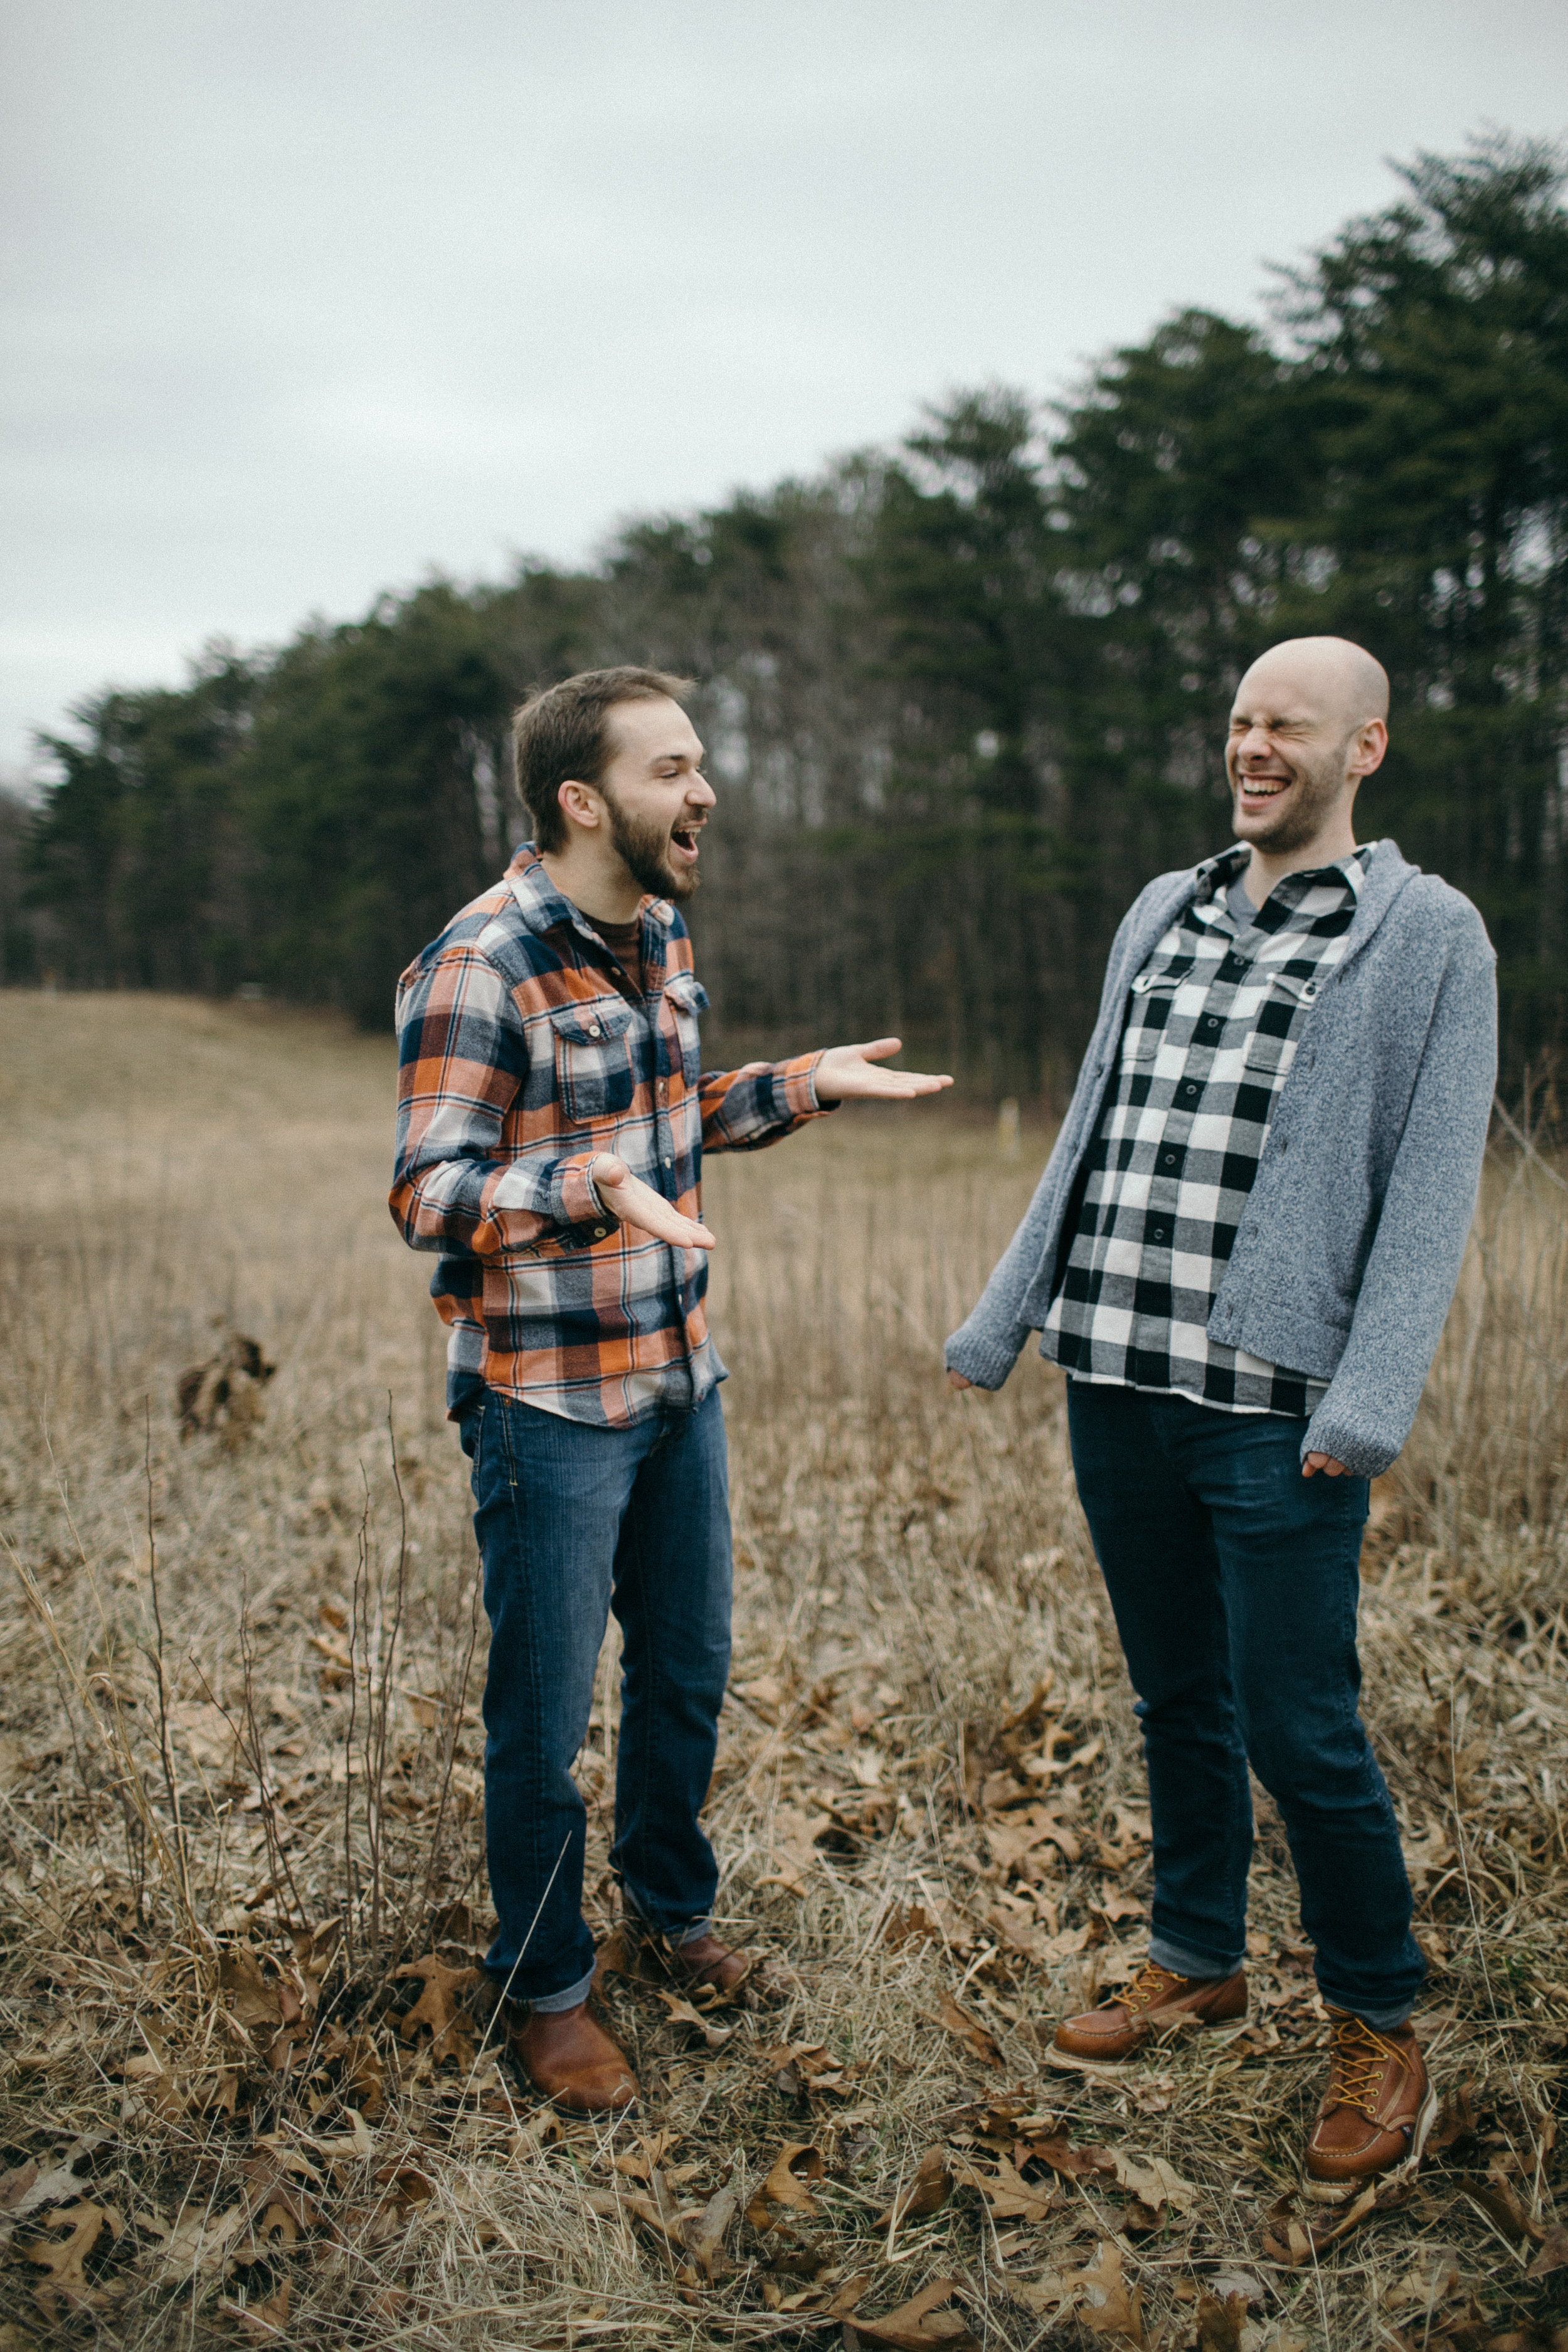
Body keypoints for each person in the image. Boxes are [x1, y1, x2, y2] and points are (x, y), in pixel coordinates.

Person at [945, 637, 1496, 2202]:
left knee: (1296, 1723)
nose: (1254, 748)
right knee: (1172, 1698)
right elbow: (1090, 1127)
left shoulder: (1424, 936)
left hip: (1275, 1410)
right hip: (1111, 1376)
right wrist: (1012, 1313)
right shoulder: (1162, 905)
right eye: (1241, 722)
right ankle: (1194, 1954)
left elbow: (1430, 1190)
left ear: (1363, 749)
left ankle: (1375, 2019)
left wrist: (1369, 1394)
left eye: (1288, 728)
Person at [392, 666, 950, 2114]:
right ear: (583, 801)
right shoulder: (482, 964)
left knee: (688, 1671)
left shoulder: (662, 934)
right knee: (542, 1714)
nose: (703, 793)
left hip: (678, 1381)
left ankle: (667, 1905)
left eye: (701, 766)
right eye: (671, 771)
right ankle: (547, 1986)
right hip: (546, 1402)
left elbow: (669, 1119)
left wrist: (801, 1083)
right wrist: (585, 1188)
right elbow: (425, 1188)